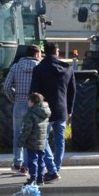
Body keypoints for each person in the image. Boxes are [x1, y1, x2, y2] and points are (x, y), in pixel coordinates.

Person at [31, 41, 76, 181]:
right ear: (57, 52)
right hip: (62, 109)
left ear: (45, 52)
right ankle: (56, 168)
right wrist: (70, 109)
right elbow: (72, 91)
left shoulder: (39, 69)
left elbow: (34, 92)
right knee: (59, 141)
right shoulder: (68, 68)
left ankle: (52, 169)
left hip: (44, 111)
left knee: (42, 140)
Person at [3, 44, 42, 173]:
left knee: (18, 134)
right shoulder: (39, 67)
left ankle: (17, 163)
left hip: (19, 104)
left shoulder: (16, 67)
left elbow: (7, 86)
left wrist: (14, 98)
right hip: (34, 106)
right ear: (36, 54)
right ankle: (27, 164)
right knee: (31, 135)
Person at [18, 92, 52, 186]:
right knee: (41, 160)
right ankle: (40, 179)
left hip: (32, 141)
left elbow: (27, 130)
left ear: (33, 102)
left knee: (32, 160)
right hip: (42, 141)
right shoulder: (45, 112)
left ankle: (33, 178)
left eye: (29, 101)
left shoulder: (31, 114)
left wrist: (21, 141)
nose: (28, 102)